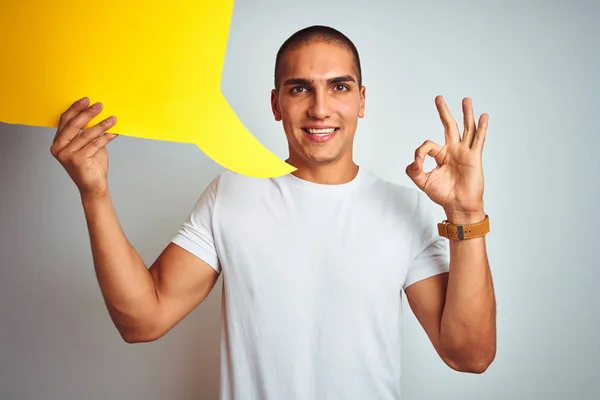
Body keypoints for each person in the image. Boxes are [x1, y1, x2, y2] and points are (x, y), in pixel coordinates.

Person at [50, 25, 496, 400]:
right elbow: (142, 320)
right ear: (275, 103)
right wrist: (95, 192)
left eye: (338, 87)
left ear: (361, 100)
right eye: (300, 88)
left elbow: (469, 356)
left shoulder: (403, 208)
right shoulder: (232, 195)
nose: (320, 108)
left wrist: (465, 212)